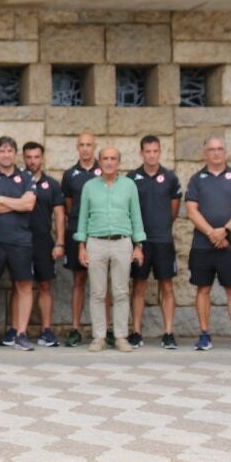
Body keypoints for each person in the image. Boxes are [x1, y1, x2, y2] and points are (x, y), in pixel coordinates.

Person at [74, 146, 144, 353]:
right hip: (96, 242)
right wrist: (81, 246)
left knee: (121, 292)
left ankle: (121, 336)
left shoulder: (129, 185)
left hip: (122, 242)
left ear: (119, 162)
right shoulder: (89, 186)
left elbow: (136, 215)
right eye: (105, 158)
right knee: (97, 292)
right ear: (100, 161)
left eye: (113, 158)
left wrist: (138, 245)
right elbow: (83, 217)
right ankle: (99, 337)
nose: (109, 162)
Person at [185, 137, 231, 352]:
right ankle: (204, 334)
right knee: (202, 289)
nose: (216, 153)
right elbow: (191, 210)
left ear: (226, 152)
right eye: (211, 150)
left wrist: (224, 231)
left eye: (220, 149)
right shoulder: (196, 179)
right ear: (205, 153)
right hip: (202, 245)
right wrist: (211, 233)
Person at [0, 137, 37, 351]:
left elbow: (29, 204)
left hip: (20, 240)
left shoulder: (26, 176)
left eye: (10, 150)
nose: (6, 154)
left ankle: (21, 333)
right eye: (2, 151)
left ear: (15, 153)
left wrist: (0, 199)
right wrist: (16, 204)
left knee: (24, 286)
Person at [128, 135, 181, 349]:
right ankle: (137, 332)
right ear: (141, 153)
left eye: (155, 151)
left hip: (163, 241)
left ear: (160, 152)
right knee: (138, 285)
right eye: (147, 151)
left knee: (166, 286)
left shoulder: (170, 178)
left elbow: (174, 210)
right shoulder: (131, 178)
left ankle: (168, 332)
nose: (151, 155)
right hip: (140, 241)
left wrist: (162, 226)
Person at [60, 132, 102, 346]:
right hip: (77, 232)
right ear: (77, 147)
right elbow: (68, 206)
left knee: (102, 283)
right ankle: (75, 327)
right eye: (82, 145)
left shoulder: (103, 171)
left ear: (94, 147)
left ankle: (104, 329)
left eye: (89, 145)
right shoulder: (70, 174)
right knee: (78, 280)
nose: (85, 148)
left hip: (101, 232)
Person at [20, 141, 63, 347]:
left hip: (43, 241)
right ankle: (17, 331)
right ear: (23, 158)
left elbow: (60, 214)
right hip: (19, 240)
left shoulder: (52, 184)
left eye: (36, 157)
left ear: (42, 158)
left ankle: (46, 330)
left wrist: (60, 242)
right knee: (20, 285)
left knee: (45, 285)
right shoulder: (17, 181)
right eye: (28, 157)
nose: (32, 161)